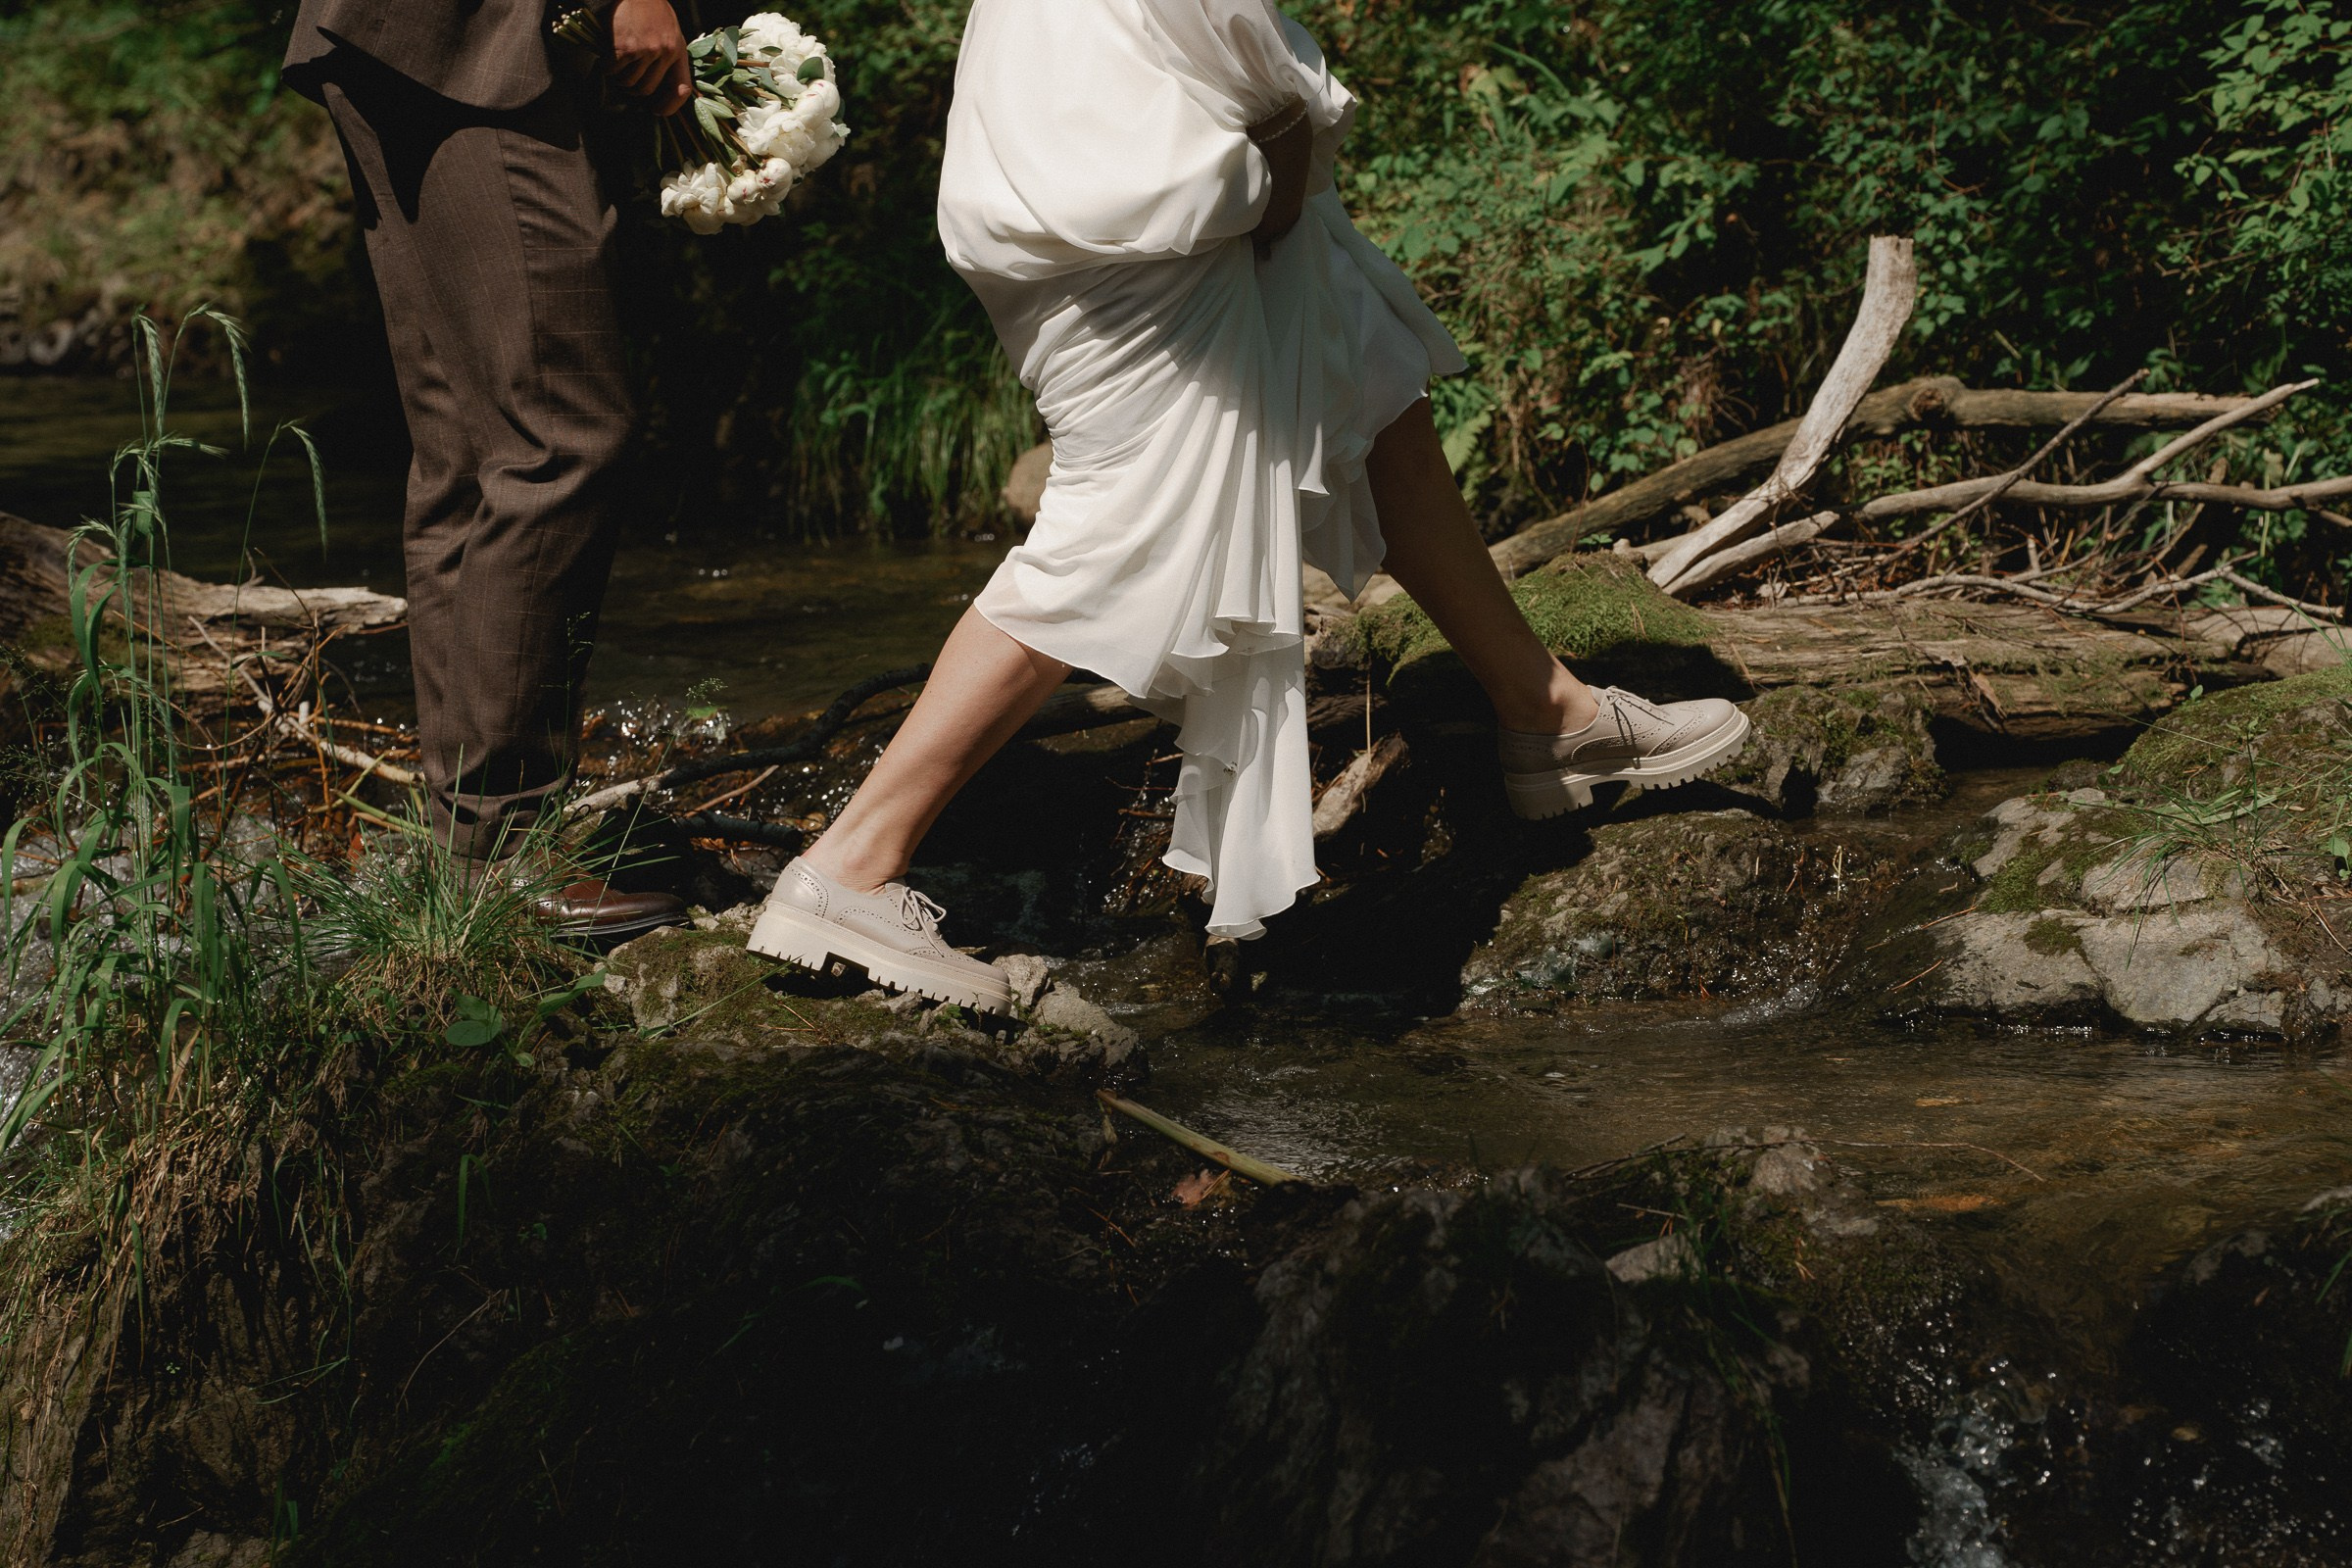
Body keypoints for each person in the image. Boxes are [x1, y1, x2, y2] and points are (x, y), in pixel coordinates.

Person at [747, 0, 1748, 1009]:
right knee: (1116, 527)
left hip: (1095, 148)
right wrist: (1283, 125)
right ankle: (854, 861)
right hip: (1125, 190)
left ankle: (1546, 711)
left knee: (1365, 375)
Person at [282, 0, 690, 937]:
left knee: (466, 458)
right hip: (475, 41)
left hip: (395, 34)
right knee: (560, 438)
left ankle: (466, 857)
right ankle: (504, 846)